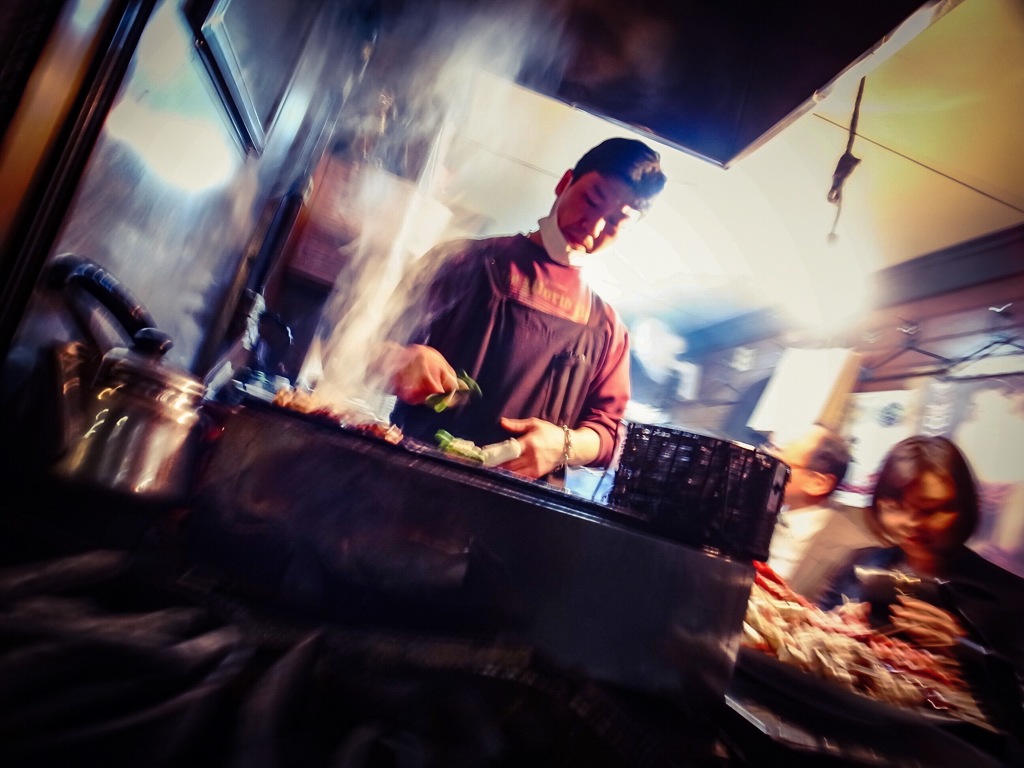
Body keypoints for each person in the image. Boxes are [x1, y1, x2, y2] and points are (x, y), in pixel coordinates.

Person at [378, 138, 667, 479]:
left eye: (617, 221)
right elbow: (357, 346)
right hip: (411, 481)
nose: (595, 226)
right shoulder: (461, 261)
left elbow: (609, 434)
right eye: (592, 200)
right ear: (565, 183)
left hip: (521, 514)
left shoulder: (606, 328)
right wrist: (397, 359)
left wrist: (563, 445)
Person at [818, 435, 1024, 677]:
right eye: (894, 507)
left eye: (929, 510)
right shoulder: (860, 563)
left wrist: (964, 649)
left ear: (966, 508)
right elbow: (812, 627)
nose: (911, 523)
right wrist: (833, 625)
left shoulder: (1008, 597)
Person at [764, 424, 879, 602]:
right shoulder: (760, 512)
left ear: (817, 483)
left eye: (779, 458)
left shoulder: (853, 550)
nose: (765, 461)